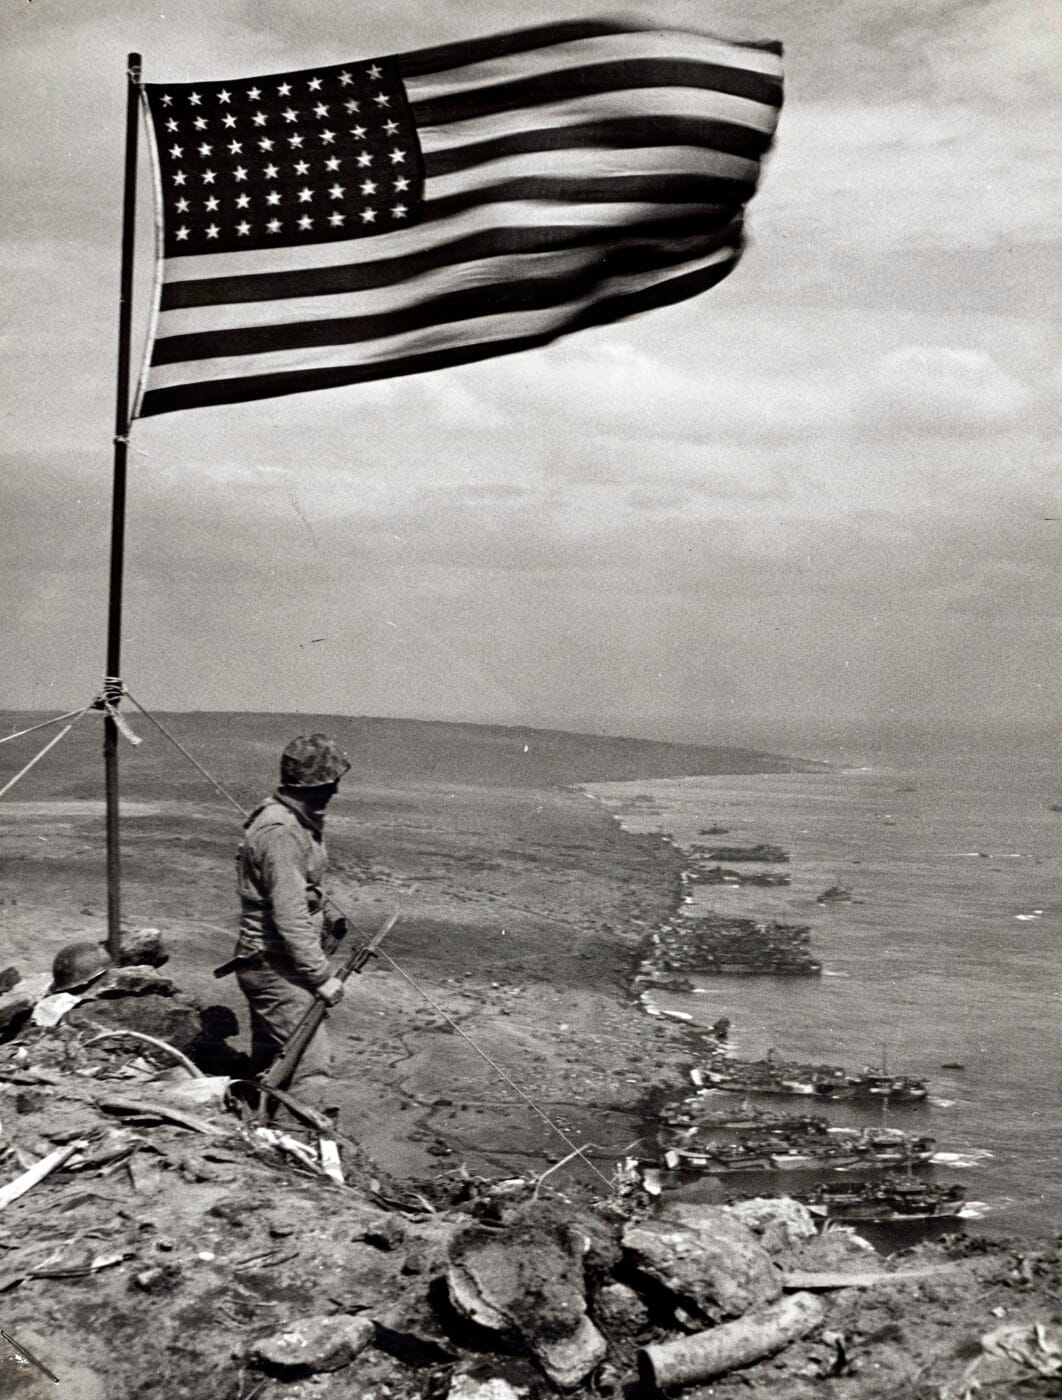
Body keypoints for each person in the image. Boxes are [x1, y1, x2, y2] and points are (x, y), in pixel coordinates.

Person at [230, 732, 351, 1115]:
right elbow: (289, 913)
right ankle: (307, 1155)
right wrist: (320, 977)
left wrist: (325, 919)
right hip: (272, 967)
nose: (335, 791)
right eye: (331, 783)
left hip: (272, 962)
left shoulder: (292, 821)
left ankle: (258, 1137)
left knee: (272, 1063)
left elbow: (300, 892)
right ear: (318, 785)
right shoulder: (281, 831)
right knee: (309, 1066)